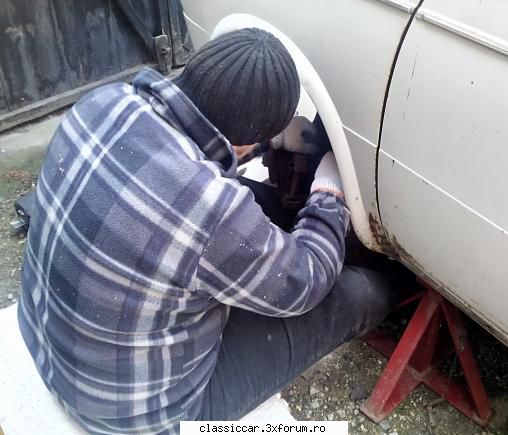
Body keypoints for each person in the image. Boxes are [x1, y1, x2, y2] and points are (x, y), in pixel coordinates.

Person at [17, 28, 397, 434]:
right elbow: (307, 281)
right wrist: (328, 190)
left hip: (50, 350)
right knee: (362, 292)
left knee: (256, 217)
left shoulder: (102, 103)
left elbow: (205, 170)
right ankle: (395, 285)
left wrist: (270, 144)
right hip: (140, 418)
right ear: (244, 143)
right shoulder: (212, 210)